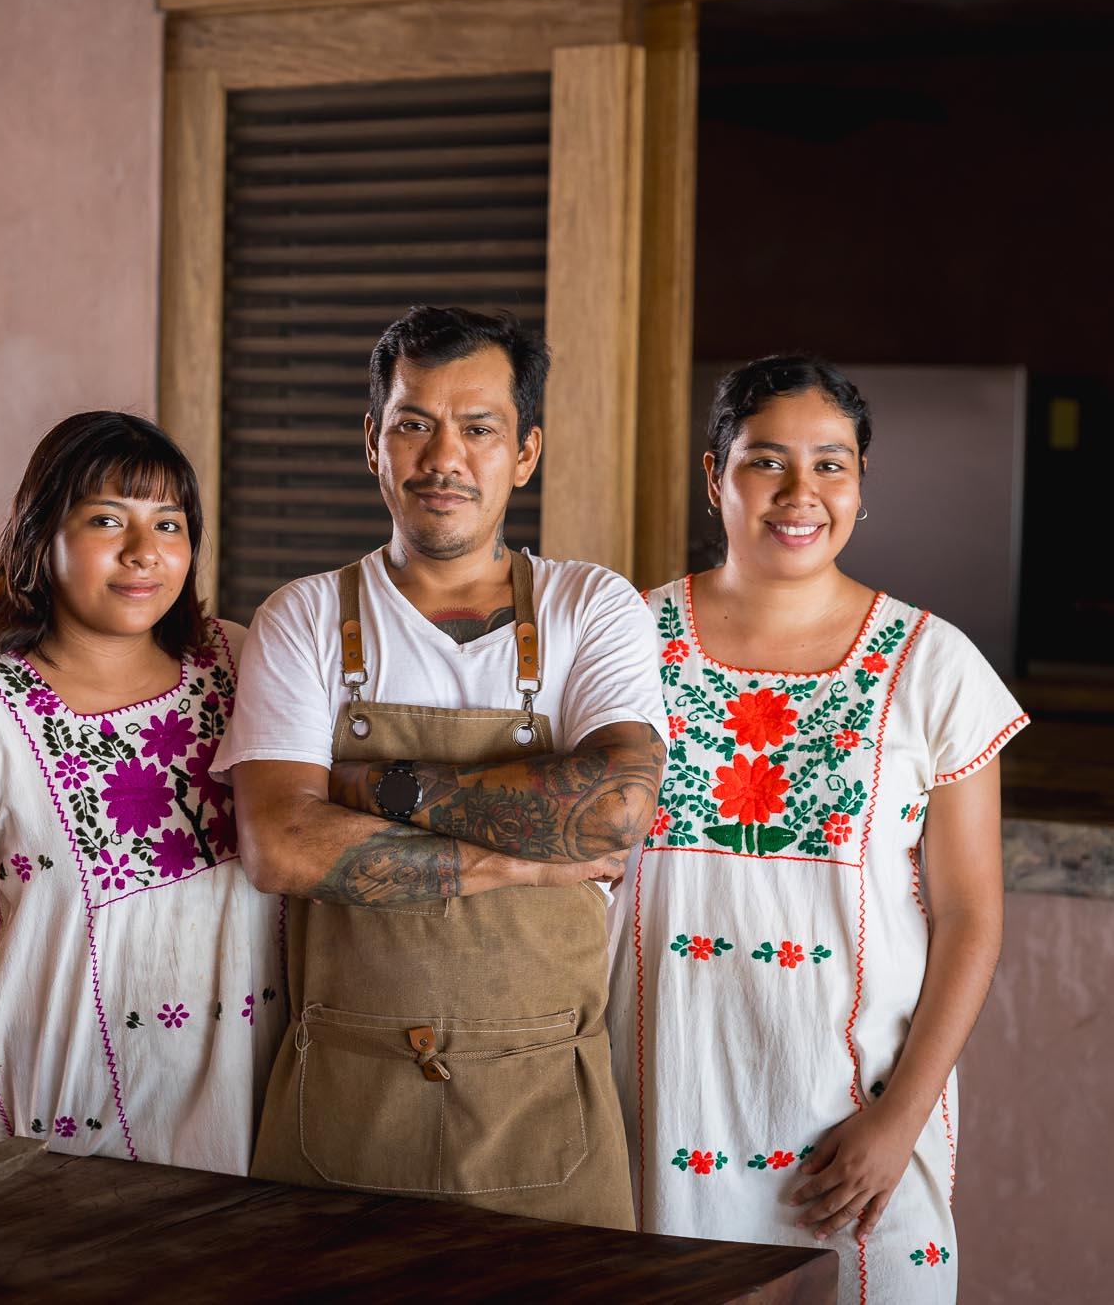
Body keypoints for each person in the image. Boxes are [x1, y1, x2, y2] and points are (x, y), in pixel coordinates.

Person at [217, 306, 668, 1230]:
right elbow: (281, 846)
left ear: (526, 453)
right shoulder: (303, 617)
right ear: (373, 445)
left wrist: (373, 787)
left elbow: (616, 810)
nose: (443, 458)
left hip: (544, 1097)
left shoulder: (593, 606)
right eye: (414, 424)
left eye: (479, 429)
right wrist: (520, 863)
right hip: (342, 1100)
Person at [610, 356, 1028, 1302]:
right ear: (714, 474)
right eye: (766, 460)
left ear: (861, 482)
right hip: (656, 1104)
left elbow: (971, 917)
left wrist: (899, 1122)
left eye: (830, 464)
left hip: (859, 1128)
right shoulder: (624, 640)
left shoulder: (934, 665)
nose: (800, 493)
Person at [0, 411, 283, 1173]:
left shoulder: (241, 663)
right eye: (107, 520)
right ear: (41, 537)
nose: (144, 551)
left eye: (168, 524)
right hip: (74, 1121)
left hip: (260, 1107)